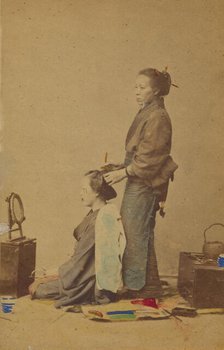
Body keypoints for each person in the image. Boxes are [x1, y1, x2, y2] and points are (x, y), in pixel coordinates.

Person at [103, 68, 178, 297]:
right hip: (139, 180)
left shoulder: (157, 116)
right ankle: (150, 285)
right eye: (135, 87)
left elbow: (150, 159)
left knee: (135, 233)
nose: (136, 92)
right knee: (138, 232)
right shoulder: (148, 112)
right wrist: (118, 167)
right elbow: (140, 153)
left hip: (146, 184)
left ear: (155, 90)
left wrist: (123, 173)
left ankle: (140, 287)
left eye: (142, 87)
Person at [29, 170, 126, 308]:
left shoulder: (99, 221)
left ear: (97, 192)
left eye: (84, 190)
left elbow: (78, 264)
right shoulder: (101, 212)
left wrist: (47, 275)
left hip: (91, 281)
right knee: (43, 283)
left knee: (38, 289)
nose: (81, 194)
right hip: (86, 273)